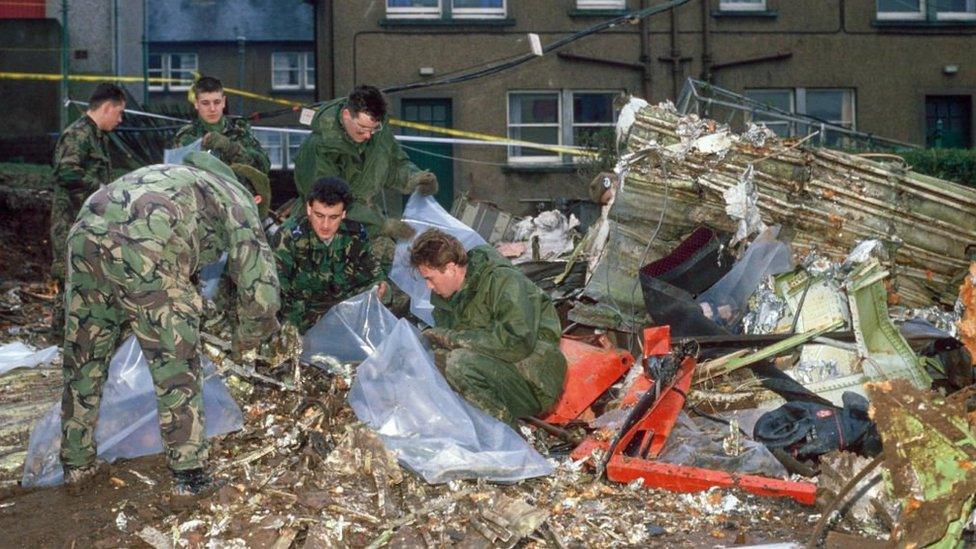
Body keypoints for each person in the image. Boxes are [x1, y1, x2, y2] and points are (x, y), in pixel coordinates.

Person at [59, 151, 280, 498]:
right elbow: (260, 288)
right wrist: (249, 340)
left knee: (85, 354)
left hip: (86, 229)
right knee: (175, 364)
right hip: (144, 243)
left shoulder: (181, 175)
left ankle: (76, 462)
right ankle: (188, 475)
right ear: (256, 198)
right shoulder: (236, 198)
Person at [409, 229, 567, 426]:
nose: (429, 287)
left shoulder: (503, 280)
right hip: (496, 368)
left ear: (451, 268)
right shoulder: (447, 300)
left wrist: (451, 338)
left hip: (534, 378)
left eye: (430, 278)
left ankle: (508, 443)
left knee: (459, 364)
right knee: (431, 363)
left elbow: (516, 343)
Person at [291, 85, 438, 245]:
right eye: (362, 129)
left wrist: (414, 177)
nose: (368, 135)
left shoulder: (378, 133)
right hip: (319, 233)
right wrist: (381, 224)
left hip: (365, 226)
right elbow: (328, 203)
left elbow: (392, 165)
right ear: (347, 115)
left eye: (373, 129)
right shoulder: (319, 148)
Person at [50, 82, 126, 337]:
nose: (120, 119)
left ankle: (80, 336)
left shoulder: (97, 137)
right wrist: (102, 189)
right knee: (70, 278)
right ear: (106, 108)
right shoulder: (79, 134)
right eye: (119, 113)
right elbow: (66, 170)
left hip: (88, 222)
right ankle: (61, 338)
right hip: (70, 220)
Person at [274, 177, 387, 333]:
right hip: (299, 319)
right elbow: (279, 293)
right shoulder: (288, 237)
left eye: (333, 217)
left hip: (343, 315)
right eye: (319, 215)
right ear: (308, 209)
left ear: (343, 214)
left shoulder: (354, 234)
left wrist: (377, 286)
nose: (325, 225)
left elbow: (371, 276)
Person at [172, 76, 270, 174]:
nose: (212, 109)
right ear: (196, 104)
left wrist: (230, 147)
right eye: (205, 103)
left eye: (217, 102)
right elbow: (174, 175)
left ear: (223, 102)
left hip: (236, 188)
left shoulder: (240, 130)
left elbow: (264, 166)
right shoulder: (186, 135)